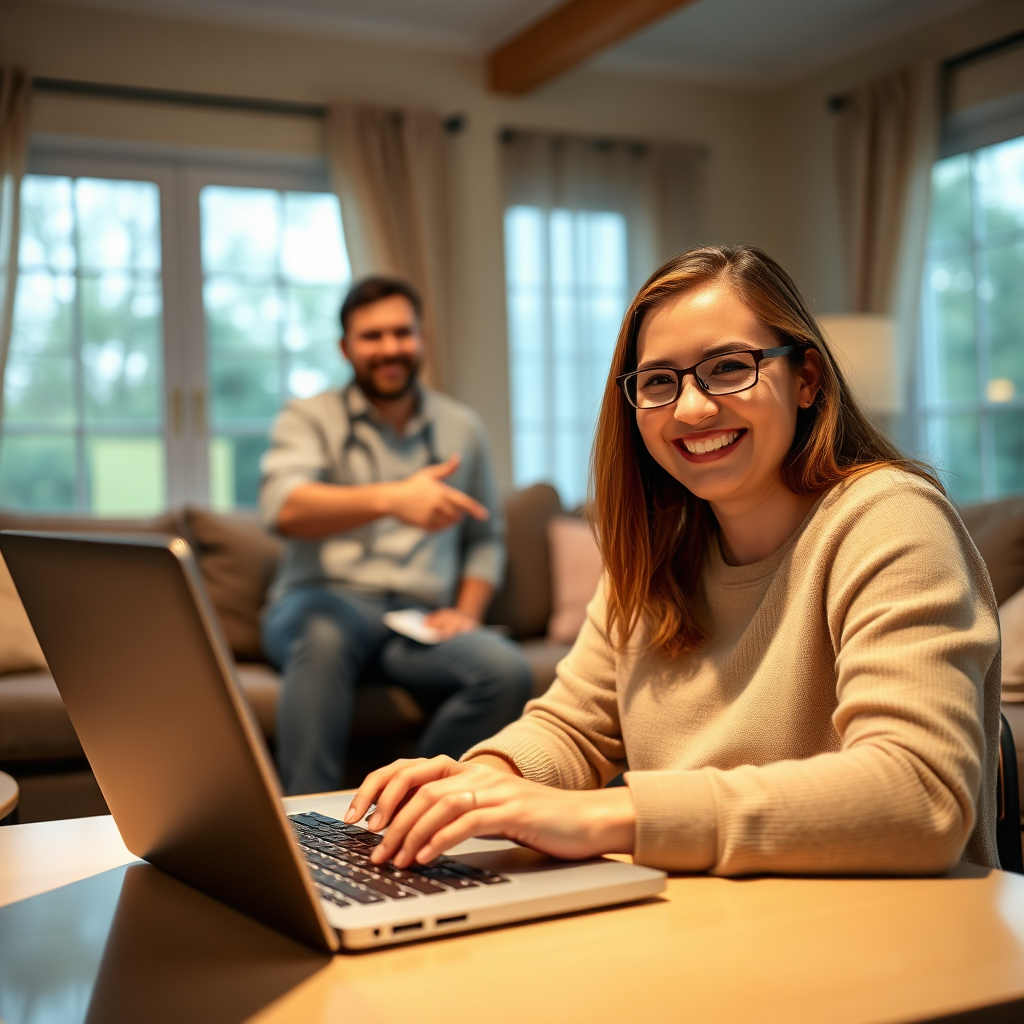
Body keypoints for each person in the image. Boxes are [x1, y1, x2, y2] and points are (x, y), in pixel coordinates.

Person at [344, 245, 1001, 877]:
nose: (690, 408)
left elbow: (920, 796)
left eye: (728, 367)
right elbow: (572, 726)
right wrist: (480, 784)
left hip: (886, 940)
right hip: (708, 922)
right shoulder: (656, 554)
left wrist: (609, 815)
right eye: (659, 381)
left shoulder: (890, 517)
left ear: (806, 379)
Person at [260, 276, 532, 796]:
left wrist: (468, 610)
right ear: (345, 347)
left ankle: (399, 805)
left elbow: (485, 537)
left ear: (422, 338)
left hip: (415, 620)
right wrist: (392, 498)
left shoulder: (462, 427)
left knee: (506, 671)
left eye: (402, 333)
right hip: (322, 601)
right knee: (324, 634)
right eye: (372, 337)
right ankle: (300, 826)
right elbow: (283, 508)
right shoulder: (308, 417)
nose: (390, 349)